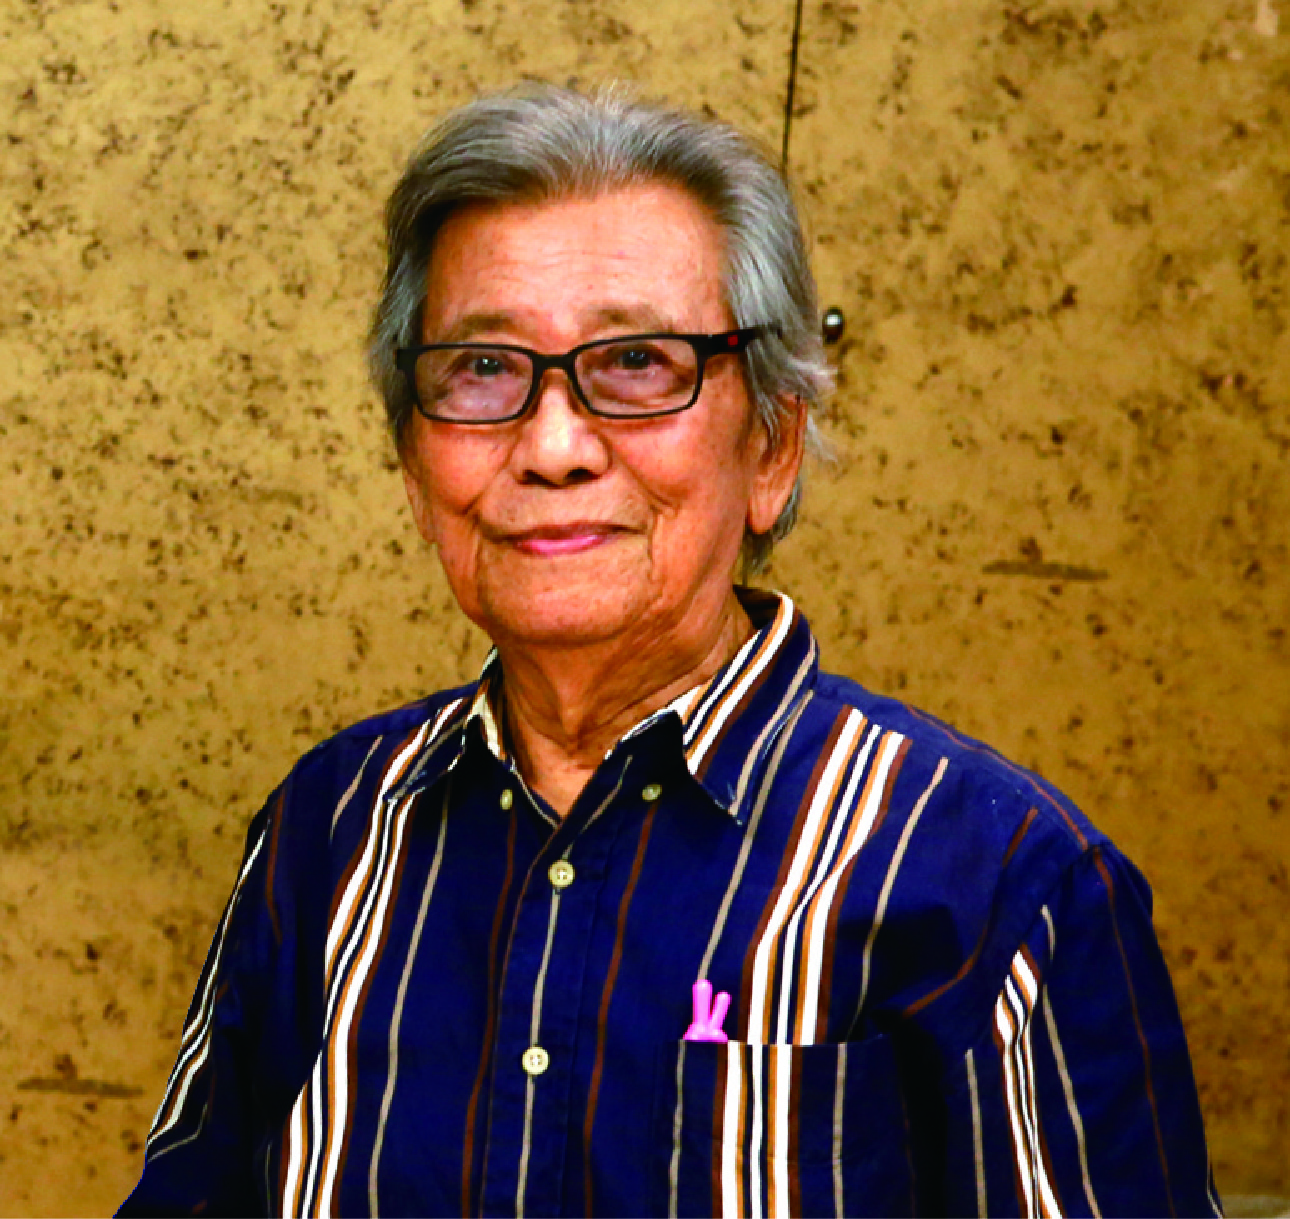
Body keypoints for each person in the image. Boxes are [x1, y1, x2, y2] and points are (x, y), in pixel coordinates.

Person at [120, 83, 1219, 1217]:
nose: (553, 446)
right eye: (483, 369)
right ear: (413, 464)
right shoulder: (331, 829)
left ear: (772, 449)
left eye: (638, 362)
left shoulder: (997, 882)